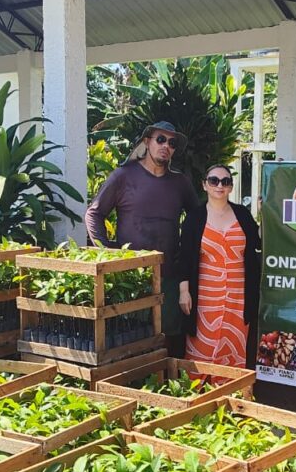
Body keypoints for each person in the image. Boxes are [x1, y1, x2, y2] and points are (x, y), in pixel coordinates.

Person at [84, 121, 198, 357]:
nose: (166, 146)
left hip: (168, 275)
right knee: (130, 337)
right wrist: (110, 253)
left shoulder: (180, 183)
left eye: (172, 142)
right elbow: (94, 213)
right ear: (147, 142)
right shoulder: (124, 176)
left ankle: (168, 389)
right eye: (160, 139)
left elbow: (198, 219)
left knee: (169, 339)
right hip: (131, 277)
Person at [178, 164, 261, 369]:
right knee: (202, 347)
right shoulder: (195, 217)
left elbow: (258, 242)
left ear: (231, 187)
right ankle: (197, 394)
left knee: (235, 344)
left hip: (238, 296)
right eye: (214, 180)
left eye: (225, 181)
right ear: (205, 185)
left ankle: (231, 393)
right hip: (205, 297)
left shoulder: (242, 214)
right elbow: (185, 257)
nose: (219, 185)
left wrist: (266, 212)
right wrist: (184, 291)